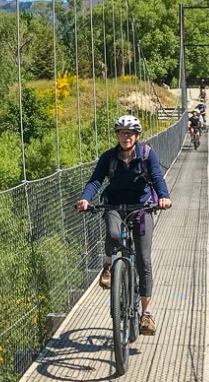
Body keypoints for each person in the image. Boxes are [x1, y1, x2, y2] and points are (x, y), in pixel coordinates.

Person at [76, 115, 171, 336]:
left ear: (137, 136)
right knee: (112, 234)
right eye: (121, 132)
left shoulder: (147, 155)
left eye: (129, 133)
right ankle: (109, 265)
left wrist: (163, 197)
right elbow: (96, 180)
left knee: (143, 259)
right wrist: (85, 198)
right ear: (117, 135)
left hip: (142, 207)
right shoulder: (108, 157)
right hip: (115, 205)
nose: (125, 137)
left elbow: (157, 178)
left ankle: (146, 314)